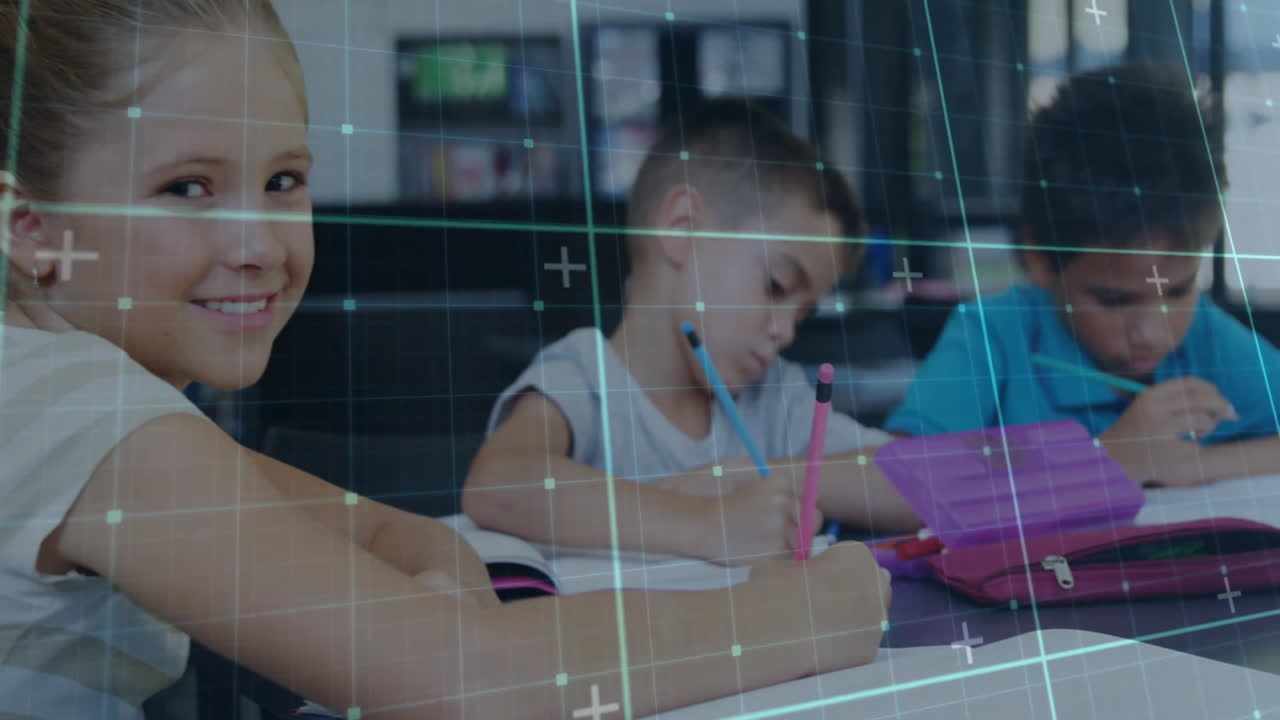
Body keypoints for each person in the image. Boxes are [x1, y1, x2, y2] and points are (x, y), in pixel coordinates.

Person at [0, 2, 891, 717]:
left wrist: (434, 603)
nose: (258, 244)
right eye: (185, 188)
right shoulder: (79, 410)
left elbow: (401, 534)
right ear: (28, 227)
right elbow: (472, 682)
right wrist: (795, 617)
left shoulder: (83, 398)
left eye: (283, 181)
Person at [465, 98, 919, 566]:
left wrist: (748, 478)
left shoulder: (774, 398)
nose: (785, 331)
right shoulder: (582, 380)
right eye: (776, 285)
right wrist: (709, 523)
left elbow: (924, 483)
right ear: (682, 227)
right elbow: (499, 484)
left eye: (802, 315)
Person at [885, 63, 1280, 487]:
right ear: (1039, 258)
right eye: (1114, 300)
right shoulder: (992, 336)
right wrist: (1105, 459)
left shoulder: (1207, 336)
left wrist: (1190, 464)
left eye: (1179, 289)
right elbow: (900, 480)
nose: (1152, 331)